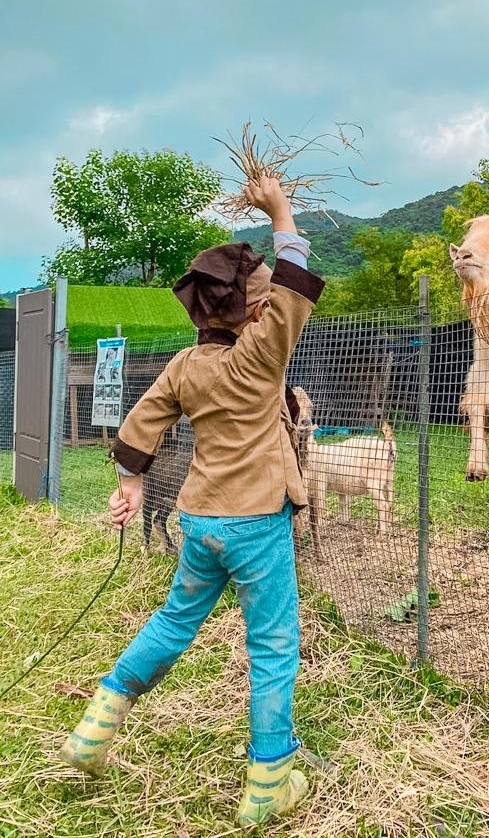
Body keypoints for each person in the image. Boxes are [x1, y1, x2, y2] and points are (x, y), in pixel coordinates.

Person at [60, 176, 324, 827]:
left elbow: (143, 421)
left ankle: (96, 725)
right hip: (256, 523)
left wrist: (129, 485)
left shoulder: (184, 365)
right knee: (272, 643)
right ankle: (269, 779)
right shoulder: (261, 357)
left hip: (201, 520)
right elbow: (295, 281)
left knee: (174, 620)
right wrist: (280, 210)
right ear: (256, 312)